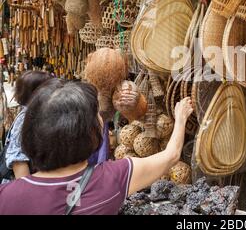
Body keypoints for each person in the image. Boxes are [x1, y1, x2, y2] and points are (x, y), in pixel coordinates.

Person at [0, 79, 193, 215]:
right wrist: (181, 118)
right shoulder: (112, 178)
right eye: (96, 114)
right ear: (90, 132)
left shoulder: (7, 197)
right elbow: (171, 155)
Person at [1, 71, 53, 183]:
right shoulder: (26, 118)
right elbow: (17, 158)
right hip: (22, 184)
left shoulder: (36, 113)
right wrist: (27, 190)